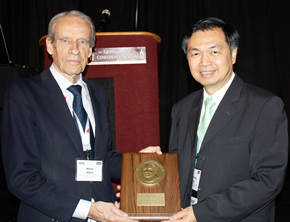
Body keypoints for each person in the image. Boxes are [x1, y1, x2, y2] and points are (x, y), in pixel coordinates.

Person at [0, 10, 162, 222]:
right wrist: (88, 209)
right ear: (50, 46)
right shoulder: (23, 94)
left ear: (91, 51)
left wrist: (139, 161)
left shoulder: (98, 94)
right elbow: (22, 178)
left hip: (104, 214)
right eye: (65, 40)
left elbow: (98, 158)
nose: (75, 49)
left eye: (83, 41)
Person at [165, 17, 288, 221]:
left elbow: (268, 180)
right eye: (195, 53)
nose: (204, 62)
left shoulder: (265, 106)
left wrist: (202, 213)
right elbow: (178, 171)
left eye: (214, 52)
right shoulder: (182, 109)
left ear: (233, 54)